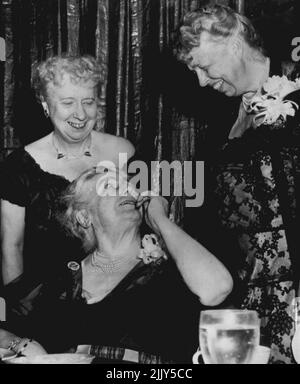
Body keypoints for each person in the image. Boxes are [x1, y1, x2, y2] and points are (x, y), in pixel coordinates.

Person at [0, 166, 233, 363]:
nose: (127, 190)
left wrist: (160, 220)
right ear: (84, 216)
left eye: (129, 186)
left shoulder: (168, 270)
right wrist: (21, 343)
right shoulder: (56, 280)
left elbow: (217, 289)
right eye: (110, 187)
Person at [177, 4, 300, 363]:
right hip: (249, 308)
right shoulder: (220, 121)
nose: (200, 80)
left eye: (202, 65)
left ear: (232, 42)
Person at [0, 55, 134, 286]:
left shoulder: (123, 151)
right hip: (48, 301)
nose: (80, 114)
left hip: (119, 290)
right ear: (45, 104)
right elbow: (12, 247)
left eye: (88, 101)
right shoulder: (17, 168)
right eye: (68, 102)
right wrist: (21, 309)